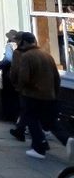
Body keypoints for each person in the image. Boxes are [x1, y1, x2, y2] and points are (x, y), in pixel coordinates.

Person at [10, 31, 74, 160]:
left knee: (31, 118)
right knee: (51, 122)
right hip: (49, 95)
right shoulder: (47, 55)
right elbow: (57, 77)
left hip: (33, 95)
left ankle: (39, 147)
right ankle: (67, 140)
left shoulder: (27, 56)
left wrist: (20, 88)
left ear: (25, 42)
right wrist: (55, 93)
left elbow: (24, 78)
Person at [0, 30, 20, 122]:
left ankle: (8, 115)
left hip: (9, 74)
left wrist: (0, 64)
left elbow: (8, 59)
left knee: (7, 95)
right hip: (19, 73)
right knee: (16, 96)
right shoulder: (20, 46)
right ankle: (16, 115)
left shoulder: (9, 45)